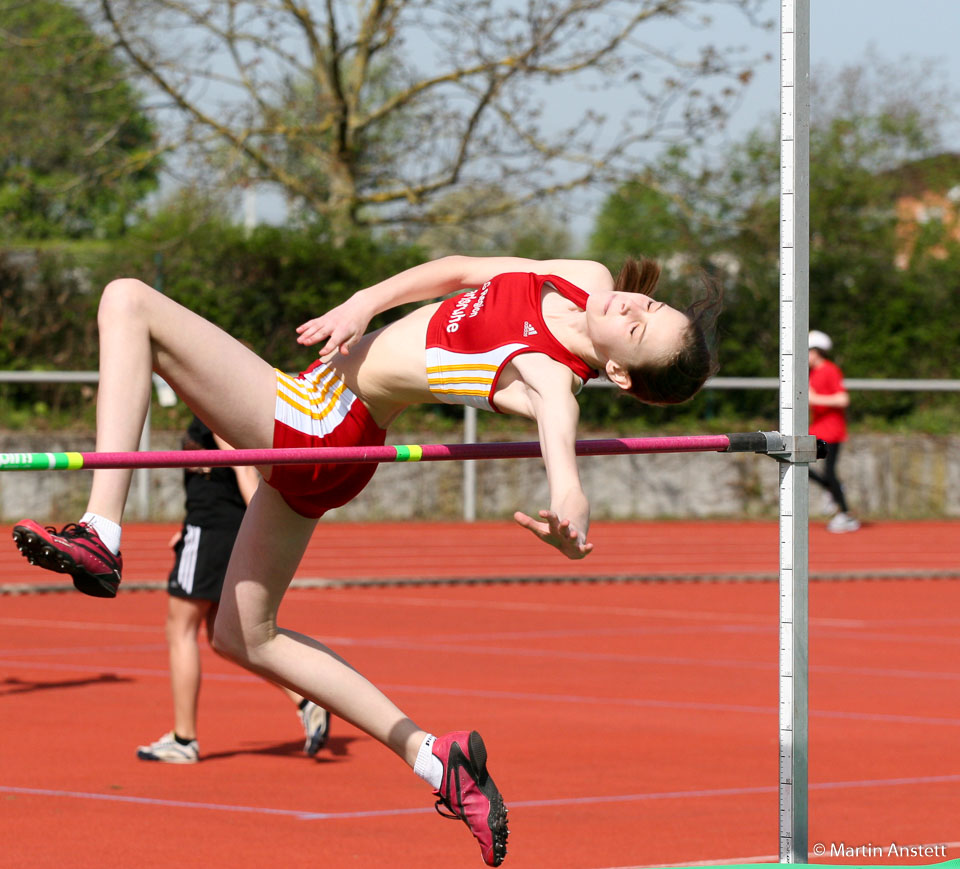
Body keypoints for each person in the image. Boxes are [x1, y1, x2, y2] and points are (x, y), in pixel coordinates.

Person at [12, 254, 720, 866]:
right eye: (648, 302)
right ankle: (434, 757)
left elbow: (557, 432)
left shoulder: (547, 376)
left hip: (318, 421)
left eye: (634, 324)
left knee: (128, 300)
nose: (629, 303)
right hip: (333, 433)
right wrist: (364, 302)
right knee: (242, 634)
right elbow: (458, 270)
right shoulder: (582, 278)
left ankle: (101, 531)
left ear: (619, 372)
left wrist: (568, 495)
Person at [137, 415, 331, 764]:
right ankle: (305, 700)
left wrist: (264, 535)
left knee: (179, 629)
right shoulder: (204, 411)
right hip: (209, 530)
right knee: (225, 637)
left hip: (214, 531)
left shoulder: (215, 413)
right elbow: (213, 484)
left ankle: (184, 739)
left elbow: (244, 472)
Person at [808, 330, 860, 533]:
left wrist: (815, 399)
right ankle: (833, 488)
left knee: (829, 471)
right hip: (817, 431)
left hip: (832, 430)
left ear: (817, 351)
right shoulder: (812, 373)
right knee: (801, 467)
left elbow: (843, 399)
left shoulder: (830, 370)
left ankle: (846, 515)